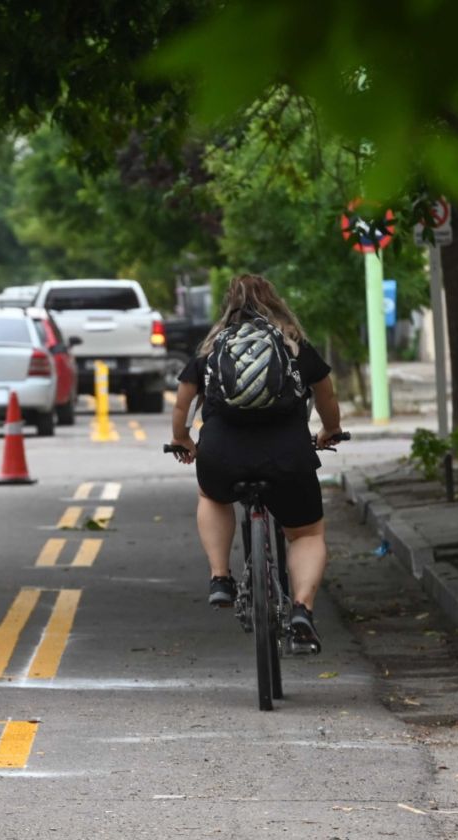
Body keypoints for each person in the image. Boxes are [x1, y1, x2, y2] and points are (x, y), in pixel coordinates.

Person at [169, 273, 343, 653]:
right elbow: (326, 395)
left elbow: (182, 404)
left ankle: (220, 578)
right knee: (307, 534)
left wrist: (182, 440)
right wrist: (331, 430)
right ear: (275, 301)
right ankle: (301, 609)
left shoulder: (212, 347)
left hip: (222, 452)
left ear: (228, 304)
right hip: (288, 454)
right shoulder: (294, 344)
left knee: (212, 496)